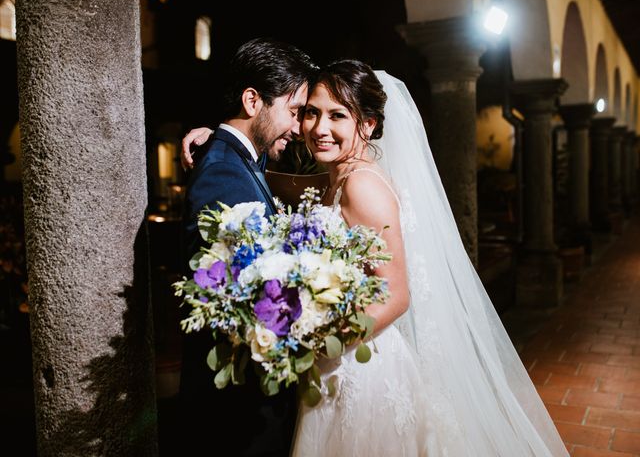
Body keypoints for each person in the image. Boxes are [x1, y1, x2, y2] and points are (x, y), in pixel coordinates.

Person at [181, 60, 569, 456]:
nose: (317, 128)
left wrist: (314, 343)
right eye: (311, 112)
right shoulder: (339, 177)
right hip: (337, 364)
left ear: (366, 125)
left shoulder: (362, 186)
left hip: (359, 369)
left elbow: (396, 294)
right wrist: (221, 140)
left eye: (337, 116)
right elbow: (273, 181)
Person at [178, 37, 317, 456]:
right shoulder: (223, 172)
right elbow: (237, 297)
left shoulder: (239, 162)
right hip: (236, 411)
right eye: (293, 112)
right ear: (253, 100)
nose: (299, 128)